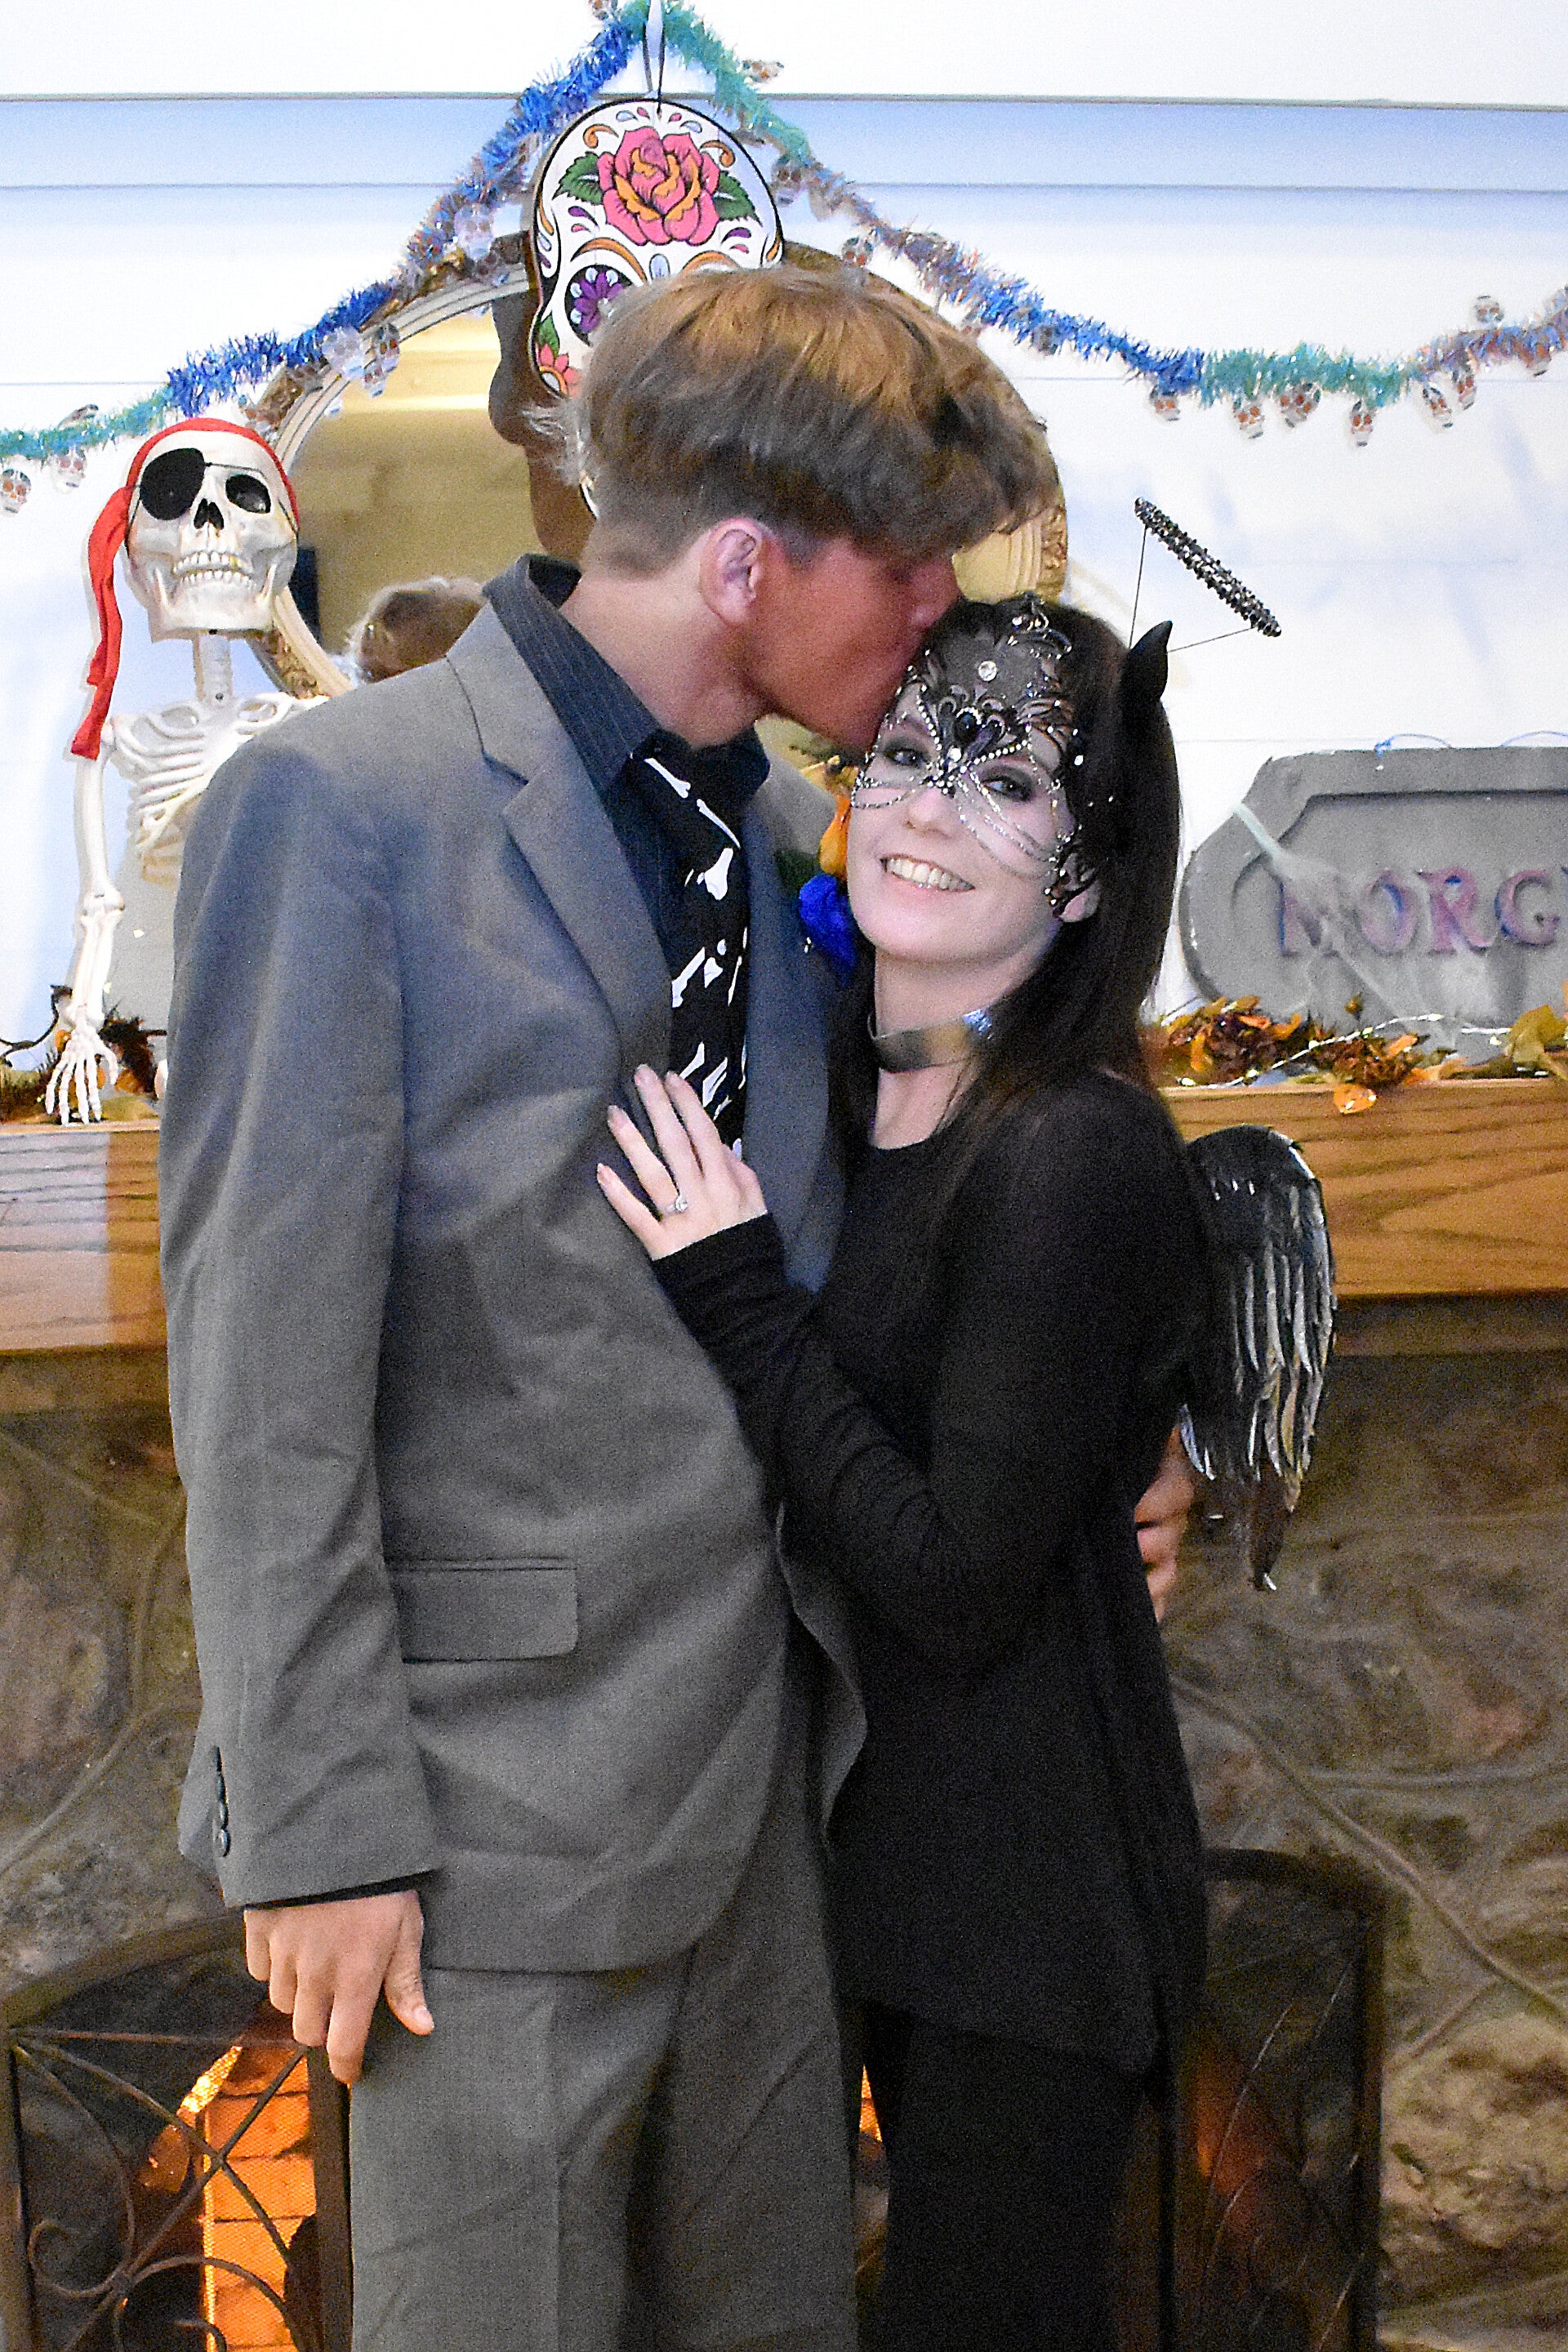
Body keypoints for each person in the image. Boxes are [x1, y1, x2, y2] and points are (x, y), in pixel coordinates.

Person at [159, 264, 1192, 2351]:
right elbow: (261, 1376)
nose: (936, 619)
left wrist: (1134, 1425)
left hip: (785, 1830)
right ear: (745, 565)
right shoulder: (341, 811)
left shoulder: (819, 842)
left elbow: (958, 1200)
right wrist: (320, 1835)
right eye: (909, 567)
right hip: (476, 1851)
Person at [599, 593, 1207, 2352]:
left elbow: (951, 1579)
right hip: (892, 1889)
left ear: (1085, 879)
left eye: (1009, 782)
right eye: (916, 753)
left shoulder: (1066, 1148)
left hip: (1033, 1918)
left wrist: (738, 1297)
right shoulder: (860, 1090)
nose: (933, 806)